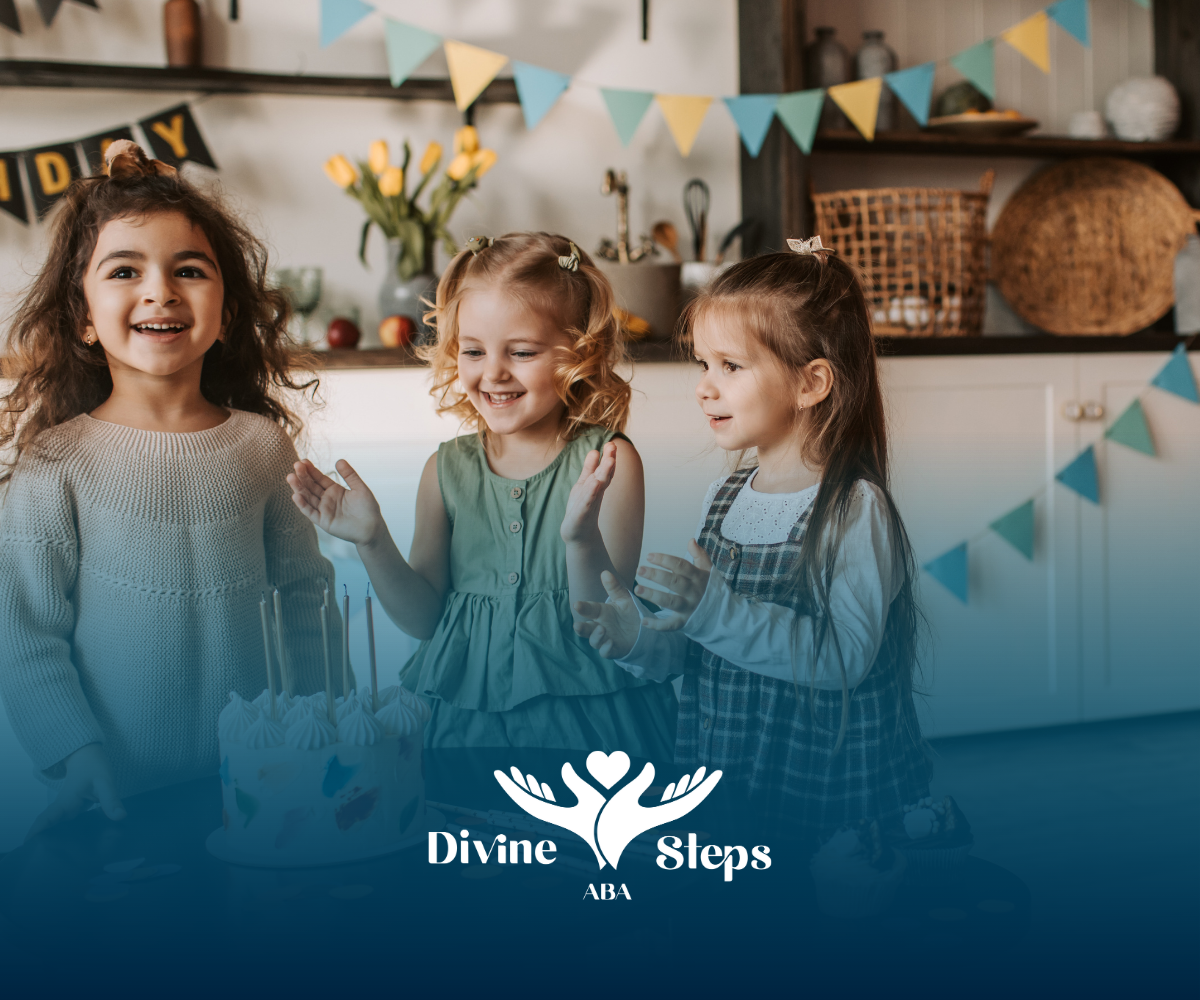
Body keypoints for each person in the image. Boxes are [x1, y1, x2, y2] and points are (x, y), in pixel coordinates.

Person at [0, 141, 333, 838]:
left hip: (264, 782)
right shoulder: (55, 463)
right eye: (125, 270)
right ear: (84, 317)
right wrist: (74, 753)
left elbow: (304, 594)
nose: (160, 290)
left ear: (229, 312)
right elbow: (24, 633)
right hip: (113, 792)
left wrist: (323, 721)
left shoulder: (261, 445)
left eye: (189, 269)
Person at [572, 239, 931, 844]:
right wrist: (642, 639)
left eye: (730, 367)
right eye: (703, 365)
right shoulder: (727, 497)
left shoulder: (853, 507)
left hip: (826, 791)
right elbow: (706, 653)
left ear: (811, 382)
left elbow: (842, 660)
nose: (705, 388)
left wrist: (712, 608)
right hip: (729, 781)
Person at [288, 233, 677, 758]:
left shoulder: (609, 462)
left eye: (521, 352)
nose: (492, 372)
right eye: (473, 350)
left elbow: (603, 620)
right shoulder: (444, 472)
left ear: (579, 352)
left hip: (590, 732)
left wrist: (580, 537)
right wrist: (372, 539)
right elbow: (424, 619)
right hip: (468, 736)